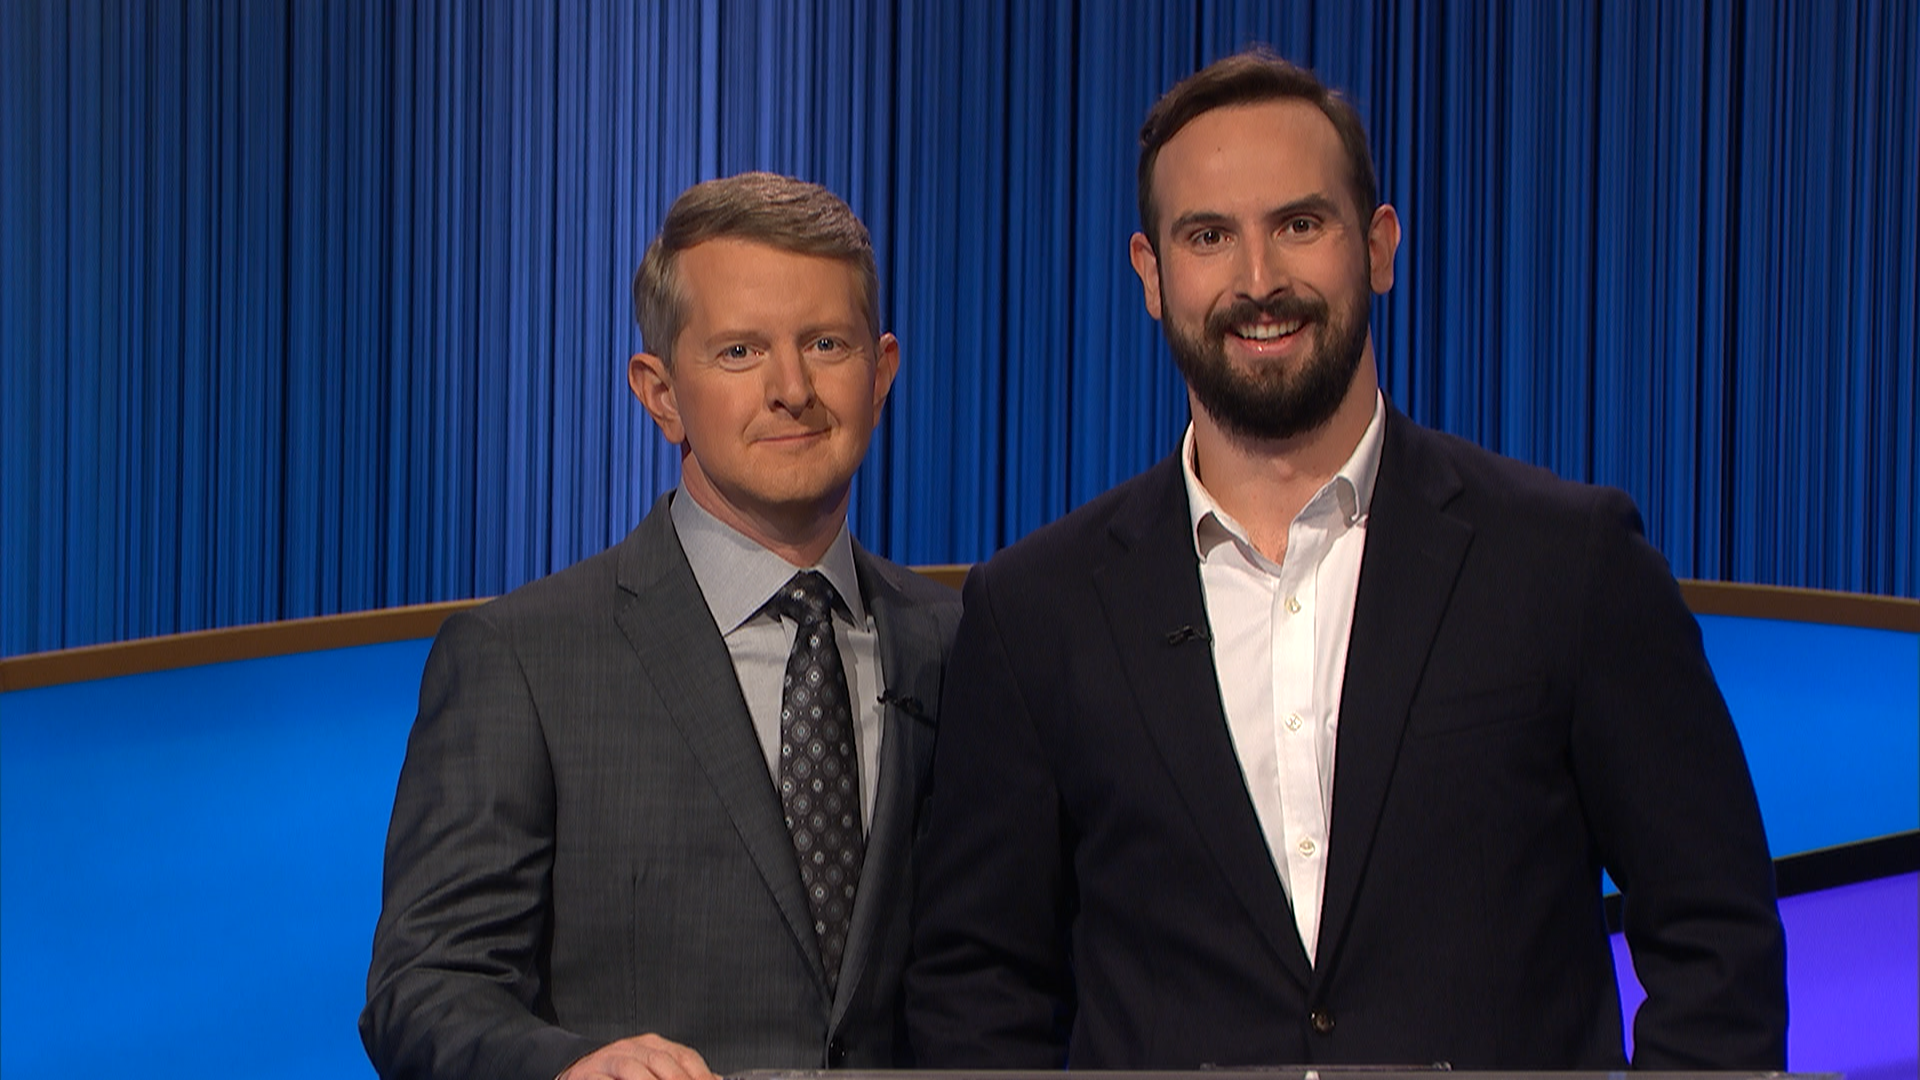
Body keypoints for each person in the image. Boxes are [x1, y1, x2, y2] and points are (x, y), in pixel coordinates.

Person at [906, 51, 1785, 1072]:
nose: (1258, 281)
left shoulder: (1569, 562)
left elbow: (1717, 939)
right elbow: (981, 984)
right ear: (1151, 275)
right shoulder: (1037, 610)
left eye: (1299, 224)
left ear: (1378, 247)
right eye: (1208, 237)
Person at [362, 172, 960, 1080]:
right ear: (660, 392)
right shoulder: (522, 661)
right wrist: (569, 1067)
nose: (792, 389)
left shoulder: (962, 642)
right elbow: (425, 988)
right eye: (740, 352)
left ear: (881, 374)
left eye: (825, 343)